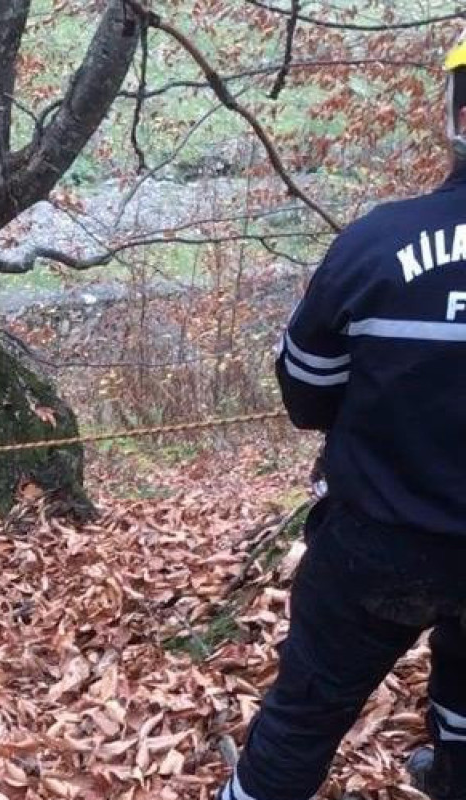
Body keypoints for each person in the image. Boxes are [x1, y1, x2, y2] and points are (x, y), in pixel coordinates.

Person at [219, 33, 466, 800]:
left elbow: (306, 395)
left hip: (376, 546)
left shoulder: (375, 244)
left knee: (304, 717)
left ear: (455, 115)